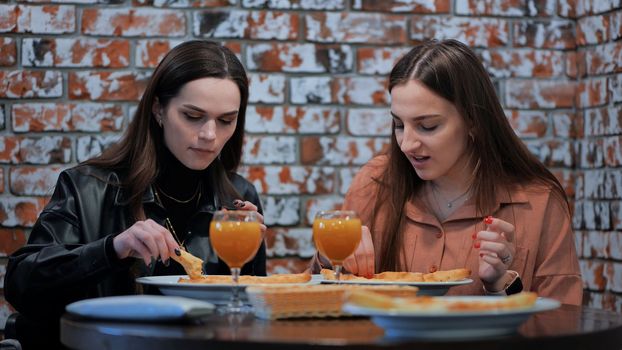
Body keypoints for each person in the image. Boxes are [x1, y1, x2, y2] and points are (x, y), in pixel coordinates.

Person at [5, 40, 266, 348]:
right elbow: (21, 284)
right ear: (158, 109)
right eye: (193, 116)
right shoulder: (88, 187)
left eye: (226, 120)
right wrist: (112, 249)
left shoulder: (238, 196)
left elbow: (250, 322)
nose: (210, 135)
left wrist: (248, 260)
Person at [311, 39, 582, 305]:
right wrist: (331, 258)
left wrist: (499, 290)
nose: (406, 144)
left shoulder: (539, 203)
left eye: (427, 126)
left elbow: (561, 325)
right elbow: (315, 305)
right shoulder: (374, 183)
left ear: (473, 122)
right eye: (398, 125)